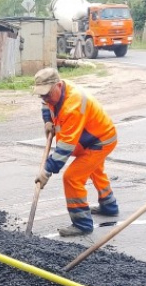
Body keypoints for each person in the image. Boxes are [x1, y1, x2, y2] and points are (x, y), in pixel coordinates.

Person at [33, 67, 120, 237]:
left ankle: (82, 223)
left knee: (72, 177)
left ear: (58, 85)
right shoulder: (52, 94)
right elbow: (45, 104)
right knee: (95, 170)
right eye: (41, 94)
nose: (44, 98)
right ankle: (109, 207)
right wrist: (47, 121)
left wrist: (47, 170)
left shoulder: (73, 104)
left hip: (100, 141)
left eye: (47, 94)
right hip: (87, 139)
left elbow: (65, 147)